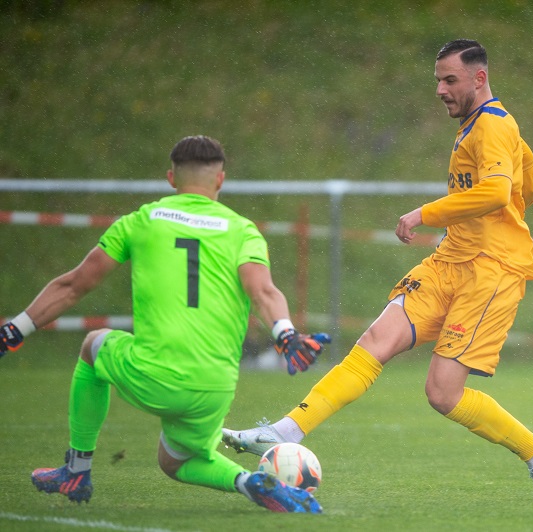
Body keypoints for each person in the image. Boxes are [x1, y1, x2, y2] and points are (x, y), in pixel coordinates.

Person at [222, 39, 533, 502]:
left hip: (491, 271)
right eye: (438, 80)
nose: (440, 90)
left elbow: (497, 193)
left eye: (450, 80)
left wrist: (427, 214)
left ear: (479, 78)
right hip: (451, 259)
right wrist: (496, 211)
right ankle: (285, 431)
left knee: (442, 394)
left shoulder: (493, 125)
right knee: (374, 341)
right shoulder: (486, 125)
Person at [0, 135, 326, 513]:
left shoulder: (142, 221)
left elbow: (74, 286)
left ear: (171, 178)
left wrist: (15, 329)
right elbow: (263, 292)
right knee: (177, 461)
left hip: (154, 373)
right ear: (220, 180)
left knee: (93, 345)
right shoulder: (241, 230)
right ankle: (247, 481)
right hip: (214, 387)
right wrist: (286, 335)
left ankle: (76, 470)